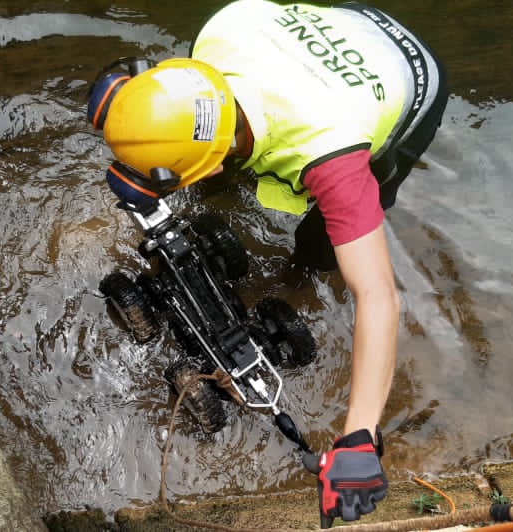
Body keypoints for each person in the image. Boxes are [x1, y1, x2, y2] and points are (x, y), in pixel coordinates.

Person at [85, 0, 447, 527]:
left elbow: (378, 296)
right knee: (216, 182)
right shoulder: (217, 36)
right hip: (335, 35)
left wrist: (360, 440)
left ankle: (303, 265)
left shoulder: (335, 155)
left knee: (326, 245)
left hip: (407, 74)